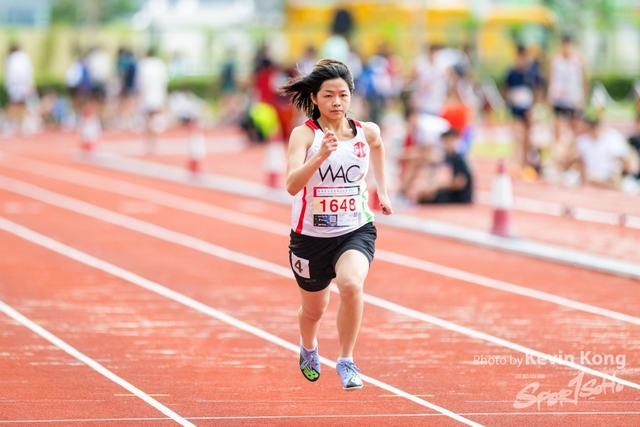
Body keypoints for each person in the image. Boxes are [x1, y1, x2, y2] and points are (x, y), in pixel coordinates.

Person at [279, 59, 393, 391]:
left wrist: (383, 191)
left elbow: (377, 146)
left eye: (343, 95)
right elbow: (291, 185)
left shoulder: (366, 131)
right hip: (310, 237)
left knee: (351, 285)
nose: (336, 102)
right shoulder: (304, 135)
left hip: (355, 229)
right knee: (314, 311)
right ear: (314, 98)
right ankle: (309, 346)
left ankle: (346, 360)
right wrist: (319, 156)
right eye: (328, 95)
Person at [504, 45, 544, 179]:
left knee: (528, 139)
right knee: (518, 138)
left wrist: (535, 109)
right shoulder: (512, 73)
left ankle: (527, 164)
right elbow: (506, 91)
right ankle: (517, 164)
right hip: (516, 111)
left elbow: (538, 92)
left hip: (529, 111)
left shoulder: (532, 73)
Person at [402, 129, 473, 204]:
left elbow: (460, 183)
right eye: (445, 141)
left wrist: (436, 187)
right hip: (445, 194)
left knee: (433, 195)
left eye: (449, 141)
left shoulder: (459, 160)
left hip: (458, 198)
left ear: (455, 140)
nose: (446, 143)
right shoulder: (446, 158)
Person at [135, 48, 168, 153]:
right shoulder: (159, 64)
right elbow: (164, 81)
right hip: (157, 94)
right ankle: (154, 138)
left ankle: (151, 138)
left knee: (149, 118)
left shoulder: (143, 64)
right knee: (155, 117)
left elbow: (139, 81)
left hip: (147, 94)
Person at [3, 44, 34, 136]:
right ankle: (14, 124)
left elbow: (9, 75)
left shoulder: (11, 58)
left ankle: (14, 124)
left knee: (16, 105)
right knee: (20, 105)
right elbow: (28, 71)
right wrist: (30, 84)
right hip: (22, 85)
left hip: (15, 85)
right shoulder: (23, 57)